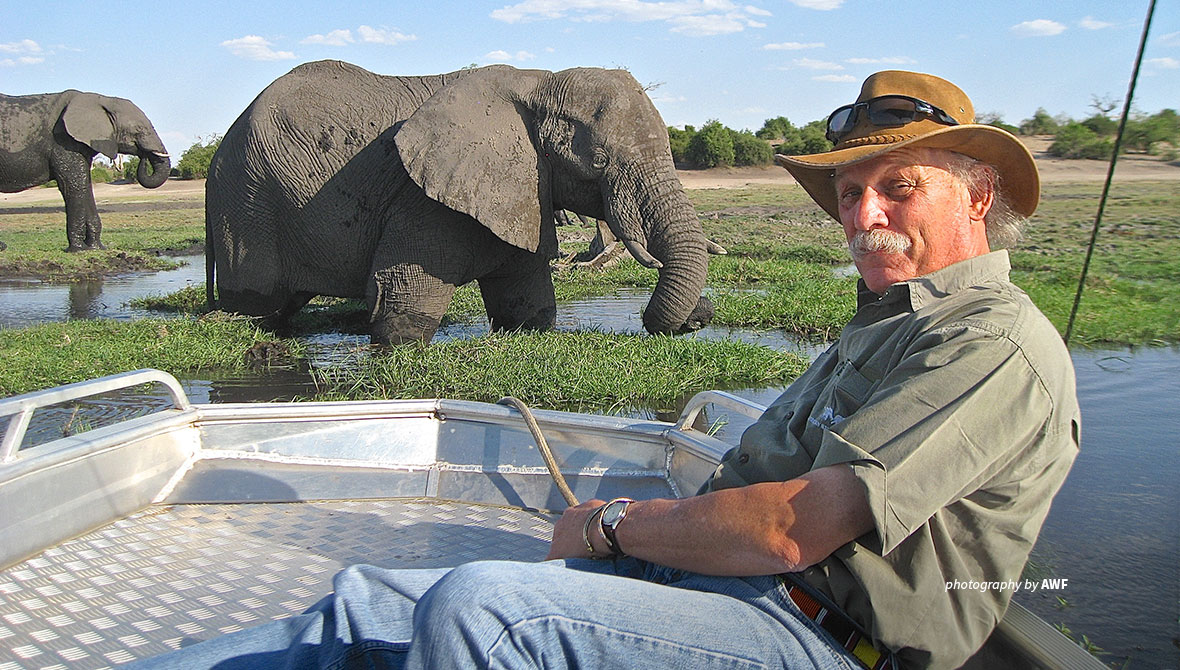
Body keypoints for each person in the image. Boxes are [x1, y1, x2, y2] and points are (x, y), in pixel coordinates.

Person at [136, 71, 1079, 670]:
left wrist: (615, 525)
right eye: (849, 192)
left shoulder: (992, 342)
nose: (864, 213)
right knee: (369, 602)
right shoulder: (889, 322)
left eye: (897, 187)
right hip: (724, 589)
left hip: (816, 635)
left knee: (486, 610)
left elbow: (794, 530)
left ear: (981, 196)